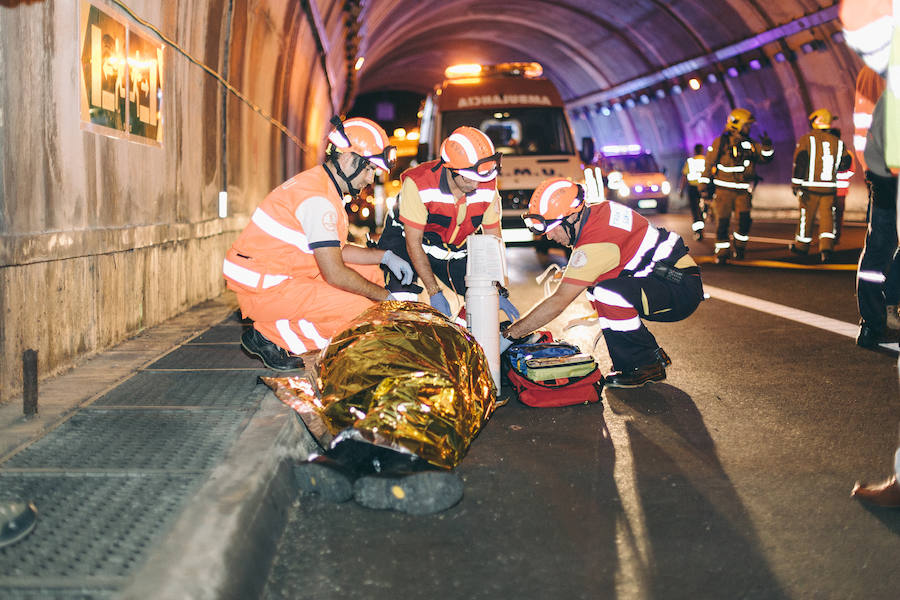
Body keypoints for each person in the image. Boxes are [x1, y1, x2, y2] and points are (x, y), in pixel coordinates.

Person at [223, 116, 415, 370]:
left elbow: (336, 250)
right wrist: (384, 299)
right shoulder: (318, 199)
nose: (370, 179)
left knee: (371, 274)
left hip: (282, 275)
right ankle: (270, 335)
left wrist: (384, 257)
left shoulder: (324, 186)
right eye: (369, 169)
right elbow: (334, 272)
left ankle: (281, 327)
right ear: (348, 159)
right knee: (361, 314)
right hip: (266, 289)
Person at [502, 178, 704, 388]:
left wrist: (510, 335)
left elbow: (559, 302)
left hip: (679, 288)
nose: (549, 236)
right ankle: (643, 358)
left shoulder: (595, 242)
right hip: (673, 278)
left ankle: (644, 363)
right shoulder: (600, 212)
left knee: (607, 294)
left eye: (552, 227)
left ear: (572, 217)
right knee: (598, 288)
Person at [377, 126, 519, 321]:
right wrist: (434, 292)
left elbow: (493, 242)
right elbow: (413, 243)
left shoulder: (486, 185)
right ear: (452, 169)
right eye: (472, 178)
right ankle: (400, 344)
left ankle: (462, 342)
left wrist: (497, 287)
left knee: (483, 297)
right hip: (405, 243)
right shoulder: (419, 184)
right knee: (403, 299)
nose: (478, 185)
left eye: (484, 177)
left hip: (449, 249)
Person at [848, 68, 900, 347]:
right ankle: (876, 320)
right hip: (887, 177)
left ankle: (876, 321)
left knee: (879, 251)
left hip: (883, 176)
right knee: (881, 250)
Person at [698, 108, 774, 263]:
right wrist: (703, 187)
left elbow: (764, 158)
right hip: (724, 191)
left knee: (744, 221)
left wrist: (767, 148)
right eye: (746, 125)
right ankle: (722, 252)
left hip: (742, 191)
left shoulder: (750, 144)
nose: (749, 128)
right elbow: (708, 164)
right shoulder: (721, 142)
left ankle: (740, 248)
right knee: (723, 222)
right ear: (736, 124)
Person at [788, 109, 853, 262]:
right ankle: (826, 249)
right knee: (828, 219)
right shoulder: (838, 142)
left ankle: (802, 247)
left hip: (809, 188)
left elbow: (801, 162)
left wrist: (796, 183)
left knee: (806, 217)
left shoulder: (807, 139)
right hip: (829, 188)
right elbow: (845, 164)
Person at [678, 143, 708, 240]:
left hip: (693, 188)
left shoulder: (690, 161)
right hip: (705, 188)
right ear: (702, 150)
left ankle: (698, 231)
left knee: (695, 210)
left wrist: (681, 190)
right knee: (704, 208)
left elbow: (684, 176)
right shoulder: (707, 160)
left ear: (694, 151)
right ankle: (704, 216)